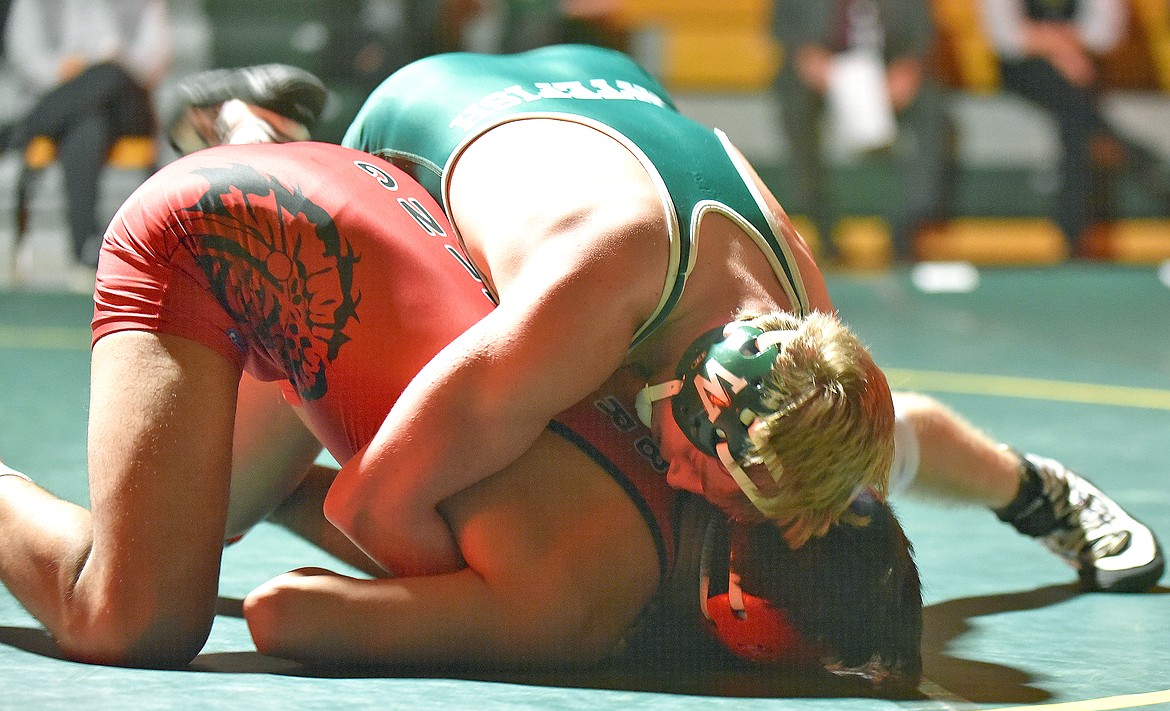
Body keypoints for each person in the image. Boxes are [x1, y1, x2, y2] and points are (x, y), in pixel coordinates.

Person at [174, 56, 1163, 593]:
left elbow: (885, 433)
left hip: (602, 93)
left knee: (747, 469)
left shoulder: (804, 338)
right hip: (418, 127)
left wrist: (1026, 492)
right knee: (208, 517)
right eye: (717, 483)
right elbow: (373, 507)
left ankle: (1043, 495)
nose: (708, 500)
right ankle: (255, 134)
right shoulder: (577, 308)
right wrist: (545, 602)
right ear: (684, 394)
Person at [0, 138, 923, 685]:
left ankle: (257, 129)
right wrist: (467, 610)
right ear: (749, 623)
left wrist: (457, 581)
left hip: (364, 194)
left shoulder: (707, 438)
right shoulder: (573, 610)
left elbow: (473, 514)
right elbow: (282, 614)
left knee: (235, 508)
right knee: (136, 620)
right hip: (225, 242)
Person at [978, 0, 1170, 254]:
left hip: (1081, 69)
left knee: (1074, 124)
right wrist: (1063, 51)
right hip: (1028, 70)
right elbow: (1003, 35)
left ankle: (1072, 238)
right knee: (1074, 110)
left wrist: (1060, 47)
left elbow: (1107, 32)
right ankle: (1138, 159)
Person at [770, 0, 954, 261]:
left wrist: (908, 68)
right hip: (824, 69)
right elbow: (783, 28)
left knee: (932, 108)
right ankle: (819, 226)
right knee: (794, 103)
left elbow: (921, 32)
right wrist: (808, 58)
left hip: (887, 70)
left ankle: (908, 226)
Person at [3, 0, 173, 269]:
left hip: (128, 106)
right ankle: (84, 247)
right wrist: (67, 70)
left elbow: (154, 60)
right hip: (71, 108)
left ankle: (22, 130)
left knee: (110, 73)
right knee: (88, 125)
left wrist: (115, 59)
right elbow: (24, 56)